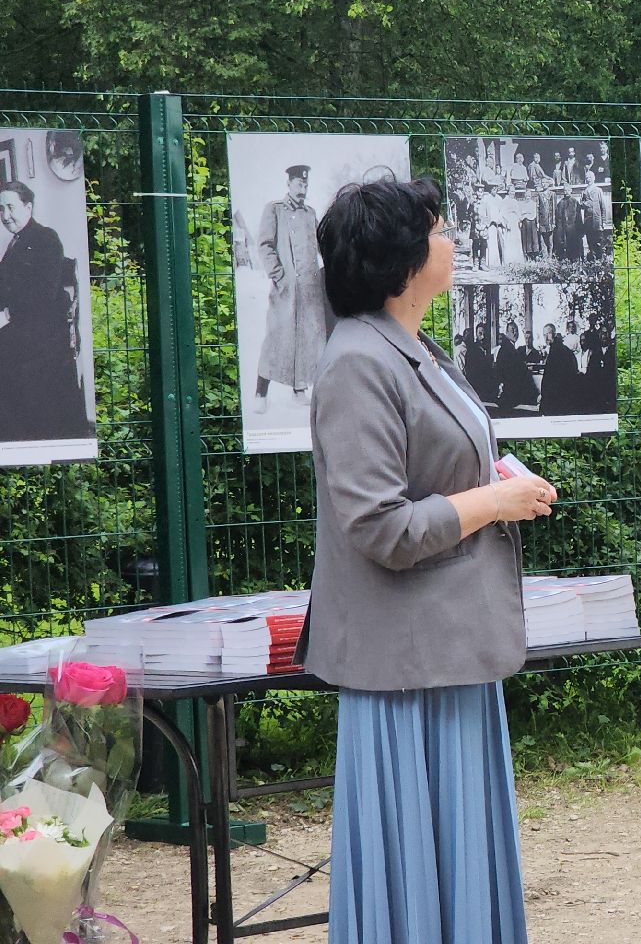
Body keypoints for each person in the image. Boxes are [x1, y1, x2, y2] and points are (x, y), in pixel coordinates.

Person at [298, 177, 558, 944]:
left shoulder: (412, 349)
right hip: (403, 666)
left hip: (449, 652)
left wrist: (501, 480)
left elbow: (438, 470)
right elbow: (377, 525)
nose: (453, 243)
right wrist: (494, 503)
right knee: (416, 870)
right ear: (403, 262)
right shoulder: (356, 363)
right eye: (440, 233)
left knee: (459, 865)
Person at [0, 180, 90, 441]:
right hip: (26, 326)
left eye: (11, 207)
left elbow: (42, 296)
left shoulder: (45, 238)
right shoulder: (16, 243)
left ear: (28, 207)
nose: (5, 216)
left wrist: (6, 315)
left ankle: (18, 435)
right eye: (1, 209)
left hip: (46, 335)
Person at [251, 164, 329, 415]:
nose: (303, 188)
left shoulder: (310, 213)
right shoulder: (275, 210)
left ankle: (299, 390)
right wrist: (278, 275)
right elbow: (264, 245)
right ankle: (260, 393)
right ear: (289, 184)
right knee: (277, 337)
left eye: (306, 184)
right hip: (286, 289)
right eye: (299, 184)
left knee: (308, 340)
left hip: (309, 289)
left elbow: (320, 247)